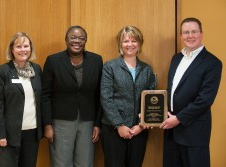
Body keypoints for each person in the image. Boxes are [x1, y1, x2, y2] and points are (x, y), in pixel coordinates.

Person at [159, 17, 222, 167]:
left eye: (194, 31)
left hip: (194, 131)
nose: (190, 36)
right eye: (186, 32)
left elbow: (205, 99)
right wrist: (153, 112)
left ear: (201, 34)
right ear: (181, 36)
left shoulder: (212, 63)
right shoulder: (176, 58)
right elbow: (172, 91)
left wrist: (178, 119)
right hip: (171, 132)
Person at [42, 25, 103, 167]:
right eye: (73, 37)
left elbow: (100, 94)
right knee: (61, 163)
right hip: (61, 121)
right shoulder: (53, 60)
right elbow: (45, 95)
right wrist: (47, 124)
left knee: (85, 162)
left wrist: (97, 124)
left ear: (86, 40)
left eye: (81, 38)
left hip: (87, 121)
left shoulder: (96, 60)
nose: (77, 41)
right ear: (66, 40)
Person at [100, 25, 156, 167]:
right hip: (113, 129)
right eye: (126, 41)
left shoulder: (147, 69)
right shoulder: (110, 67)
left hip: (139, 130)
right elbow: (106, 98)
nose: (130, 45)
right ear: (120, 44)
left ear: (140, 43)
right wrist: (119, 125)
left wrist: (142, 125)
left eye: (134, 41)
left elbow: (150, 99)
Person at [0, 32, 42, 167]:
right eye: (19, 46)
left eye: (26, 46)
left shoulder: (36, 69)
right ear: (12, 49)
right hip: (8, 134)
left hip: (32, 132)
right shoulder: (2, 71)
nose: (23, 50)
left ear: (31, 48)